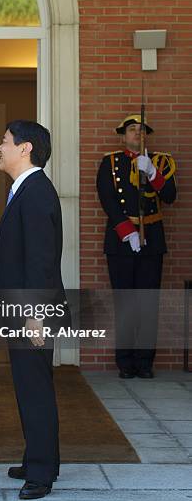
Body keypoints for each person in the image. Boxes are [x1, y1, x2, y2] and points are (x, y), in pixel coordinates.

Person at [0, 120, 67, 500]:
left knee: (35, 389)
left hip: (32, 312)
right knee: (28, 387)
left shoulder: (36, 193)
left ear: (25, 149)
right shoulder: (26, 190)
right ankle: (36, 457)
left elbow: (40, 261)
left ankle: (41, 474)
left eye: (4, 142)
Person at [96, 114, 176, 379]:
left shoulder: (160, 163)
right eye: (132, 130)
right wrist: (127, 231)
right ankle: (125, 362)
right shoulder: (109, 163)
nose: (137, 134)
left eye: (142, 131)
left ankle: (145, 362)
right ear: (123, 135)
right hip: (121, 242)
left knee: (147, 304)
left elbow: (170, 196)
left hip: (152, 240)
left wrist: (152, 173)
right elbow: (107, 198)